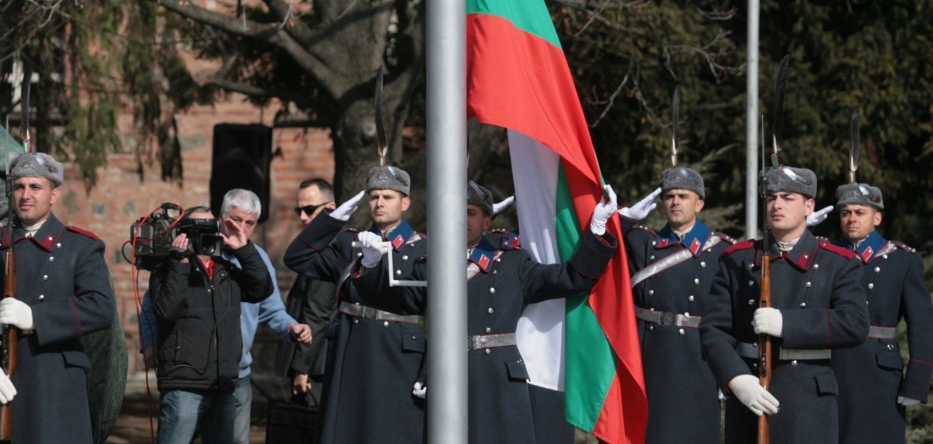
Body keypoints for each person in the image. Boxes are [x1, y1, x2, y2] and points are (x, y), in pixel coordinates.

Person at [354, 180, 619, 444]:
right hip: (447, 374)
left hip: (498, 378)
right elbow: (394, 303)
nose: (461, 219)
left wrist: (596, 230)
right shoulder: (428, 264)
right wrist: (370, 264)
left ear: (486, 222)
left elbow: (571, 278)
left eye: (470, 213)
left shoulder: (512, 263)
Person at [0, 151, 116, 444]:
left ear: (54, 195)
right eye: (19, 187)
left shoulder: (80, 247)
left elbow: (100, 307)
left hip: (54, 383)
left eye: (35, 187)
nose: (26, 195)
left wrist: (36, 318)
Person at [700, 165, 869, 443]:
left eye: (788, 198)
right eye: (771, 198)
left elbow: (855, 323)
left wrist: (787, 323)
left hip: (807, 402)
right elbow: (713, 329)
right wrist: (735, 378)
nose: (777, 205)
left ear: (809, 206)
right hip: (750, 395)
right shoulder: (737, 260)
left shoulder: (836, 263)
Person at [139, 190, 311, 444]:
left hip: (231, 375)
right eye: (235, 220)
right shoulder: (174, 263)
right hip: (186, 377)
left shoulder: (248, 261)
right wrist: (149, 342)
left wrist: (290, 326)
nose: (241, 228)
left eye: (249, 223)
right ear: (220, 218)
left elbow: (266, 300)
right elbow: (157, 307)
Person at [283, 165, 427, 444]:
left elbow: (436, 316)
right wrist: (331, 220)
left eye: (388, 197)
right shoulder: (349, 242)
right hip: (351, 349)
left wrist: (429, 370)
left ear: (405, 203)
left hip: (399, 356)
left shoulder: (421, 248)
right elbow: (296, 257)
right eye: (374, 197)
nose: (379, 203)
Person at [619, 167, 735, 442]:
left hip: (698, 357)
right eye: (669, 196)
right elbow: (605, 243)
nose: (675, 202)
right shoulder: (642, 242)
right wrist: (625, 220)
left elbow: (731, 314)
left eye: (683, 196)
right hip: (652, 357)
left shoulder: (722, 250)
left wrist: (728, 368)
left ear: (699, 204)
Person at [148, 205, 274, 444]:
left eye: (210, 228)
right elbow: (166, 312)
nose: (206, 235)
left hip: (222, 384)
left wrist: (244, 249)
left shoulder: (226, 271)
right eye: (198, 229)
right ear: (184, 233)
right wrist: (180, 264)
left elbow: (262, 289)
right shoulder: (168, 269)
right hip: (184, 385)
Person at [830, 181, 933, 443]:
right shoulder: (827, 257)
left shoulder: (902, 260)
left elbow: (922, 324)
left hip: (878, 373)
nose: (852, 218)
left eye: (860, 212)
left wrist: (917, 381)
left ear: (877, 218)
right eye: (845, 213)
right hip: (832, 367)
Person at [279, 178, 340, 403]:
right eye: (299, 210)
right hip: (317, 360)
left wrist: (301, 368)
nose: (303, 217)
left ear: (331, 208)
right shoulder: (322, 244)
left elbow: (318, 312)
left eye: (310, 209)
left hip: (316, 365)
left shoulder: (328, 248)